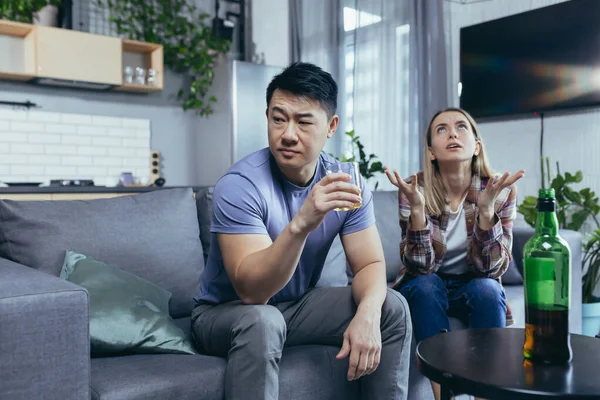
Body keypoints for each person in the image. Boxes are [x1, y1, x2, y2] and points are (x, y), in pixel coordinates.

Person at [191, 62, 412, 400]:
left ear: (331, 126)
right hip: (226, 314)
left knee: (390, 307)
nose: (288, 133)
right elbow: (252, 293)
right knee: (263, 322)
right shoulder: (240, 185)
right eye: (278, 119)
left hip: (295, 307)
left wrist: (367, 315)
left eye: (304, 121)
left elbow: (369, 264)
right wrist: (302, 224)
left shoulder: (343, 183)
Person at [384, 107, 524, 400]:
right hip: (426, 282)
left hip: (473, 283)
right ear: (431, 151)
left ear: (476, 146)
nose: (452, 133)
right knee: (425, 285)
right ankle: (445, 395)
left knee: (487, 289)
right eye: (441, 129)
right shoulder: (414, 189)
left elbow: (491, 270)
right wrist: (419, 212)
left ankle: (486, 394)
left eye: (462, 127)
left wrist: (486, 213)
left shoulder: (500, 191)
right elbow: (420, 266)